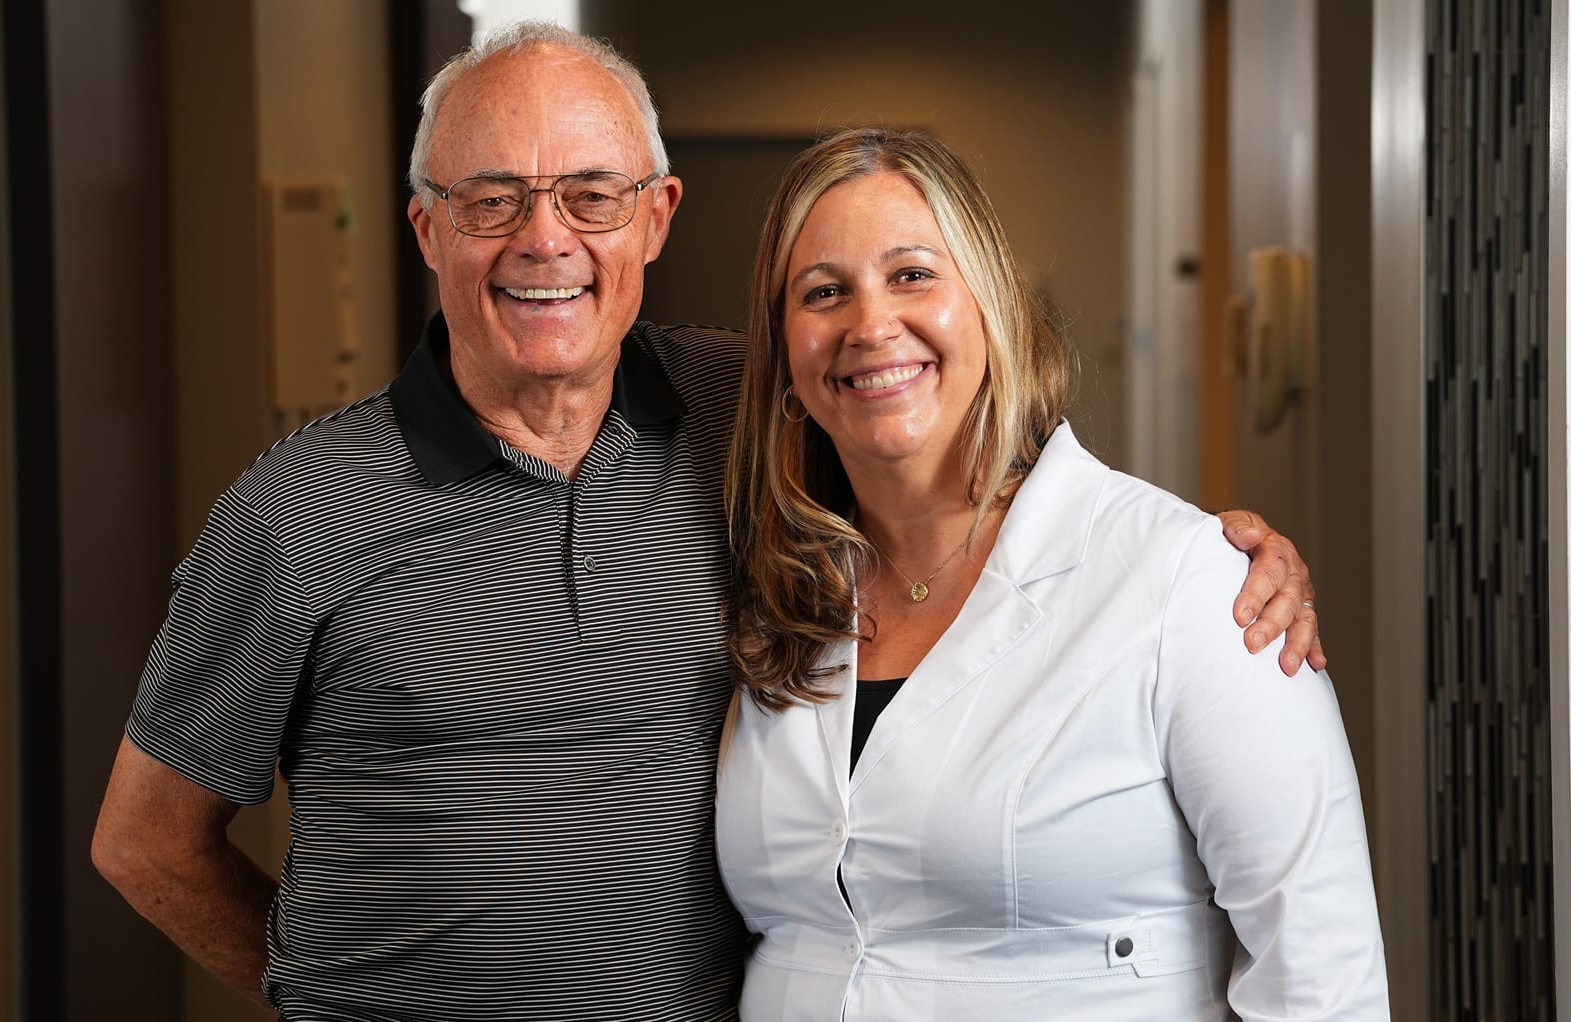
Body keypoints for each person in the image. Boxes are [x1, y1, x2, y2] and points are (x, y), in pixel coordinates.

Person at [92, 23, 1325, 1020]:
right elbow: (145, 840)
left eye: (589, 195)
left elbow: (954, 469)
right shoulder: (297, 509)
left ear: (656, 217)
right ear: (426, 228)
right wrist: (326, 993)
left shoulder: (753, 413)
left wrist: (1203, 558)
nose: (545, 241)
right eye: (490, 201)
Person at [716, 126, 1386, 1020]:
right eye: (823, 292)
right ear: (784, 359)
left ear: (989, 306)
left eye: (913, 273)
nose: (871, 325)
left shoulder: (1185, 584)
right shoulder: (780, 590)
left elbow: (1322, 975)